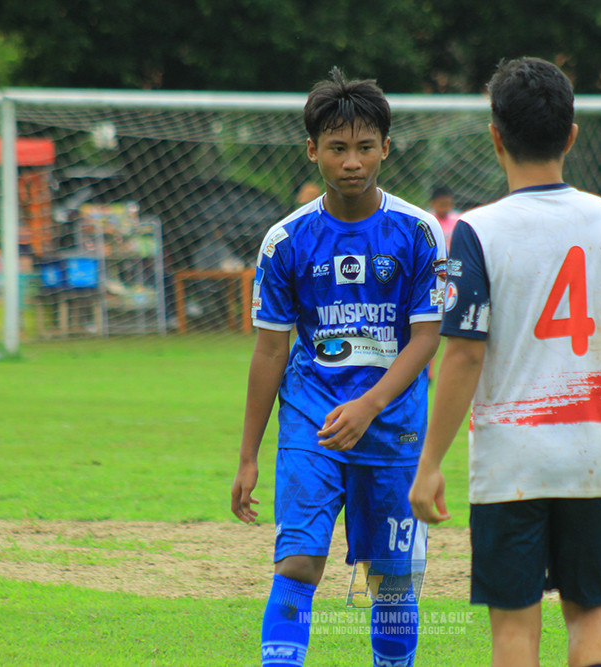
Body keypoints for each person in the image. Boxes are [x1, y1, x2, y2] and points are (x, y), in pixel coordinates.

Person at [408, 57, 601, 667]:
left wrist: (430, 461)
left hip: (511, 458)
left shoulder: (478, 230)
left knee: (514, 632)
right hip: (591, 454)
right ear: (571, 135)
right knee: (592, 615)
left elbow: (462, 351)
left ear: (495, 137)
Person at [231, 67, 447, 667]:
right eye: (336, 148)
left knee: (392, 580)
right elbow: (271, 349)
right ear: (312, 151)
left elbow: (427, 338)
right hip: (311, 418)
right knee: (298, 559)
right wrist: (249, 455)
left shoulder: (419, 232)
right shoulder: (285, 241)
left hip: (394, 425)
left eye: (363, 147)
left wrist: (370, 405)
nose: (351, 161)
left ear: (385, 148)